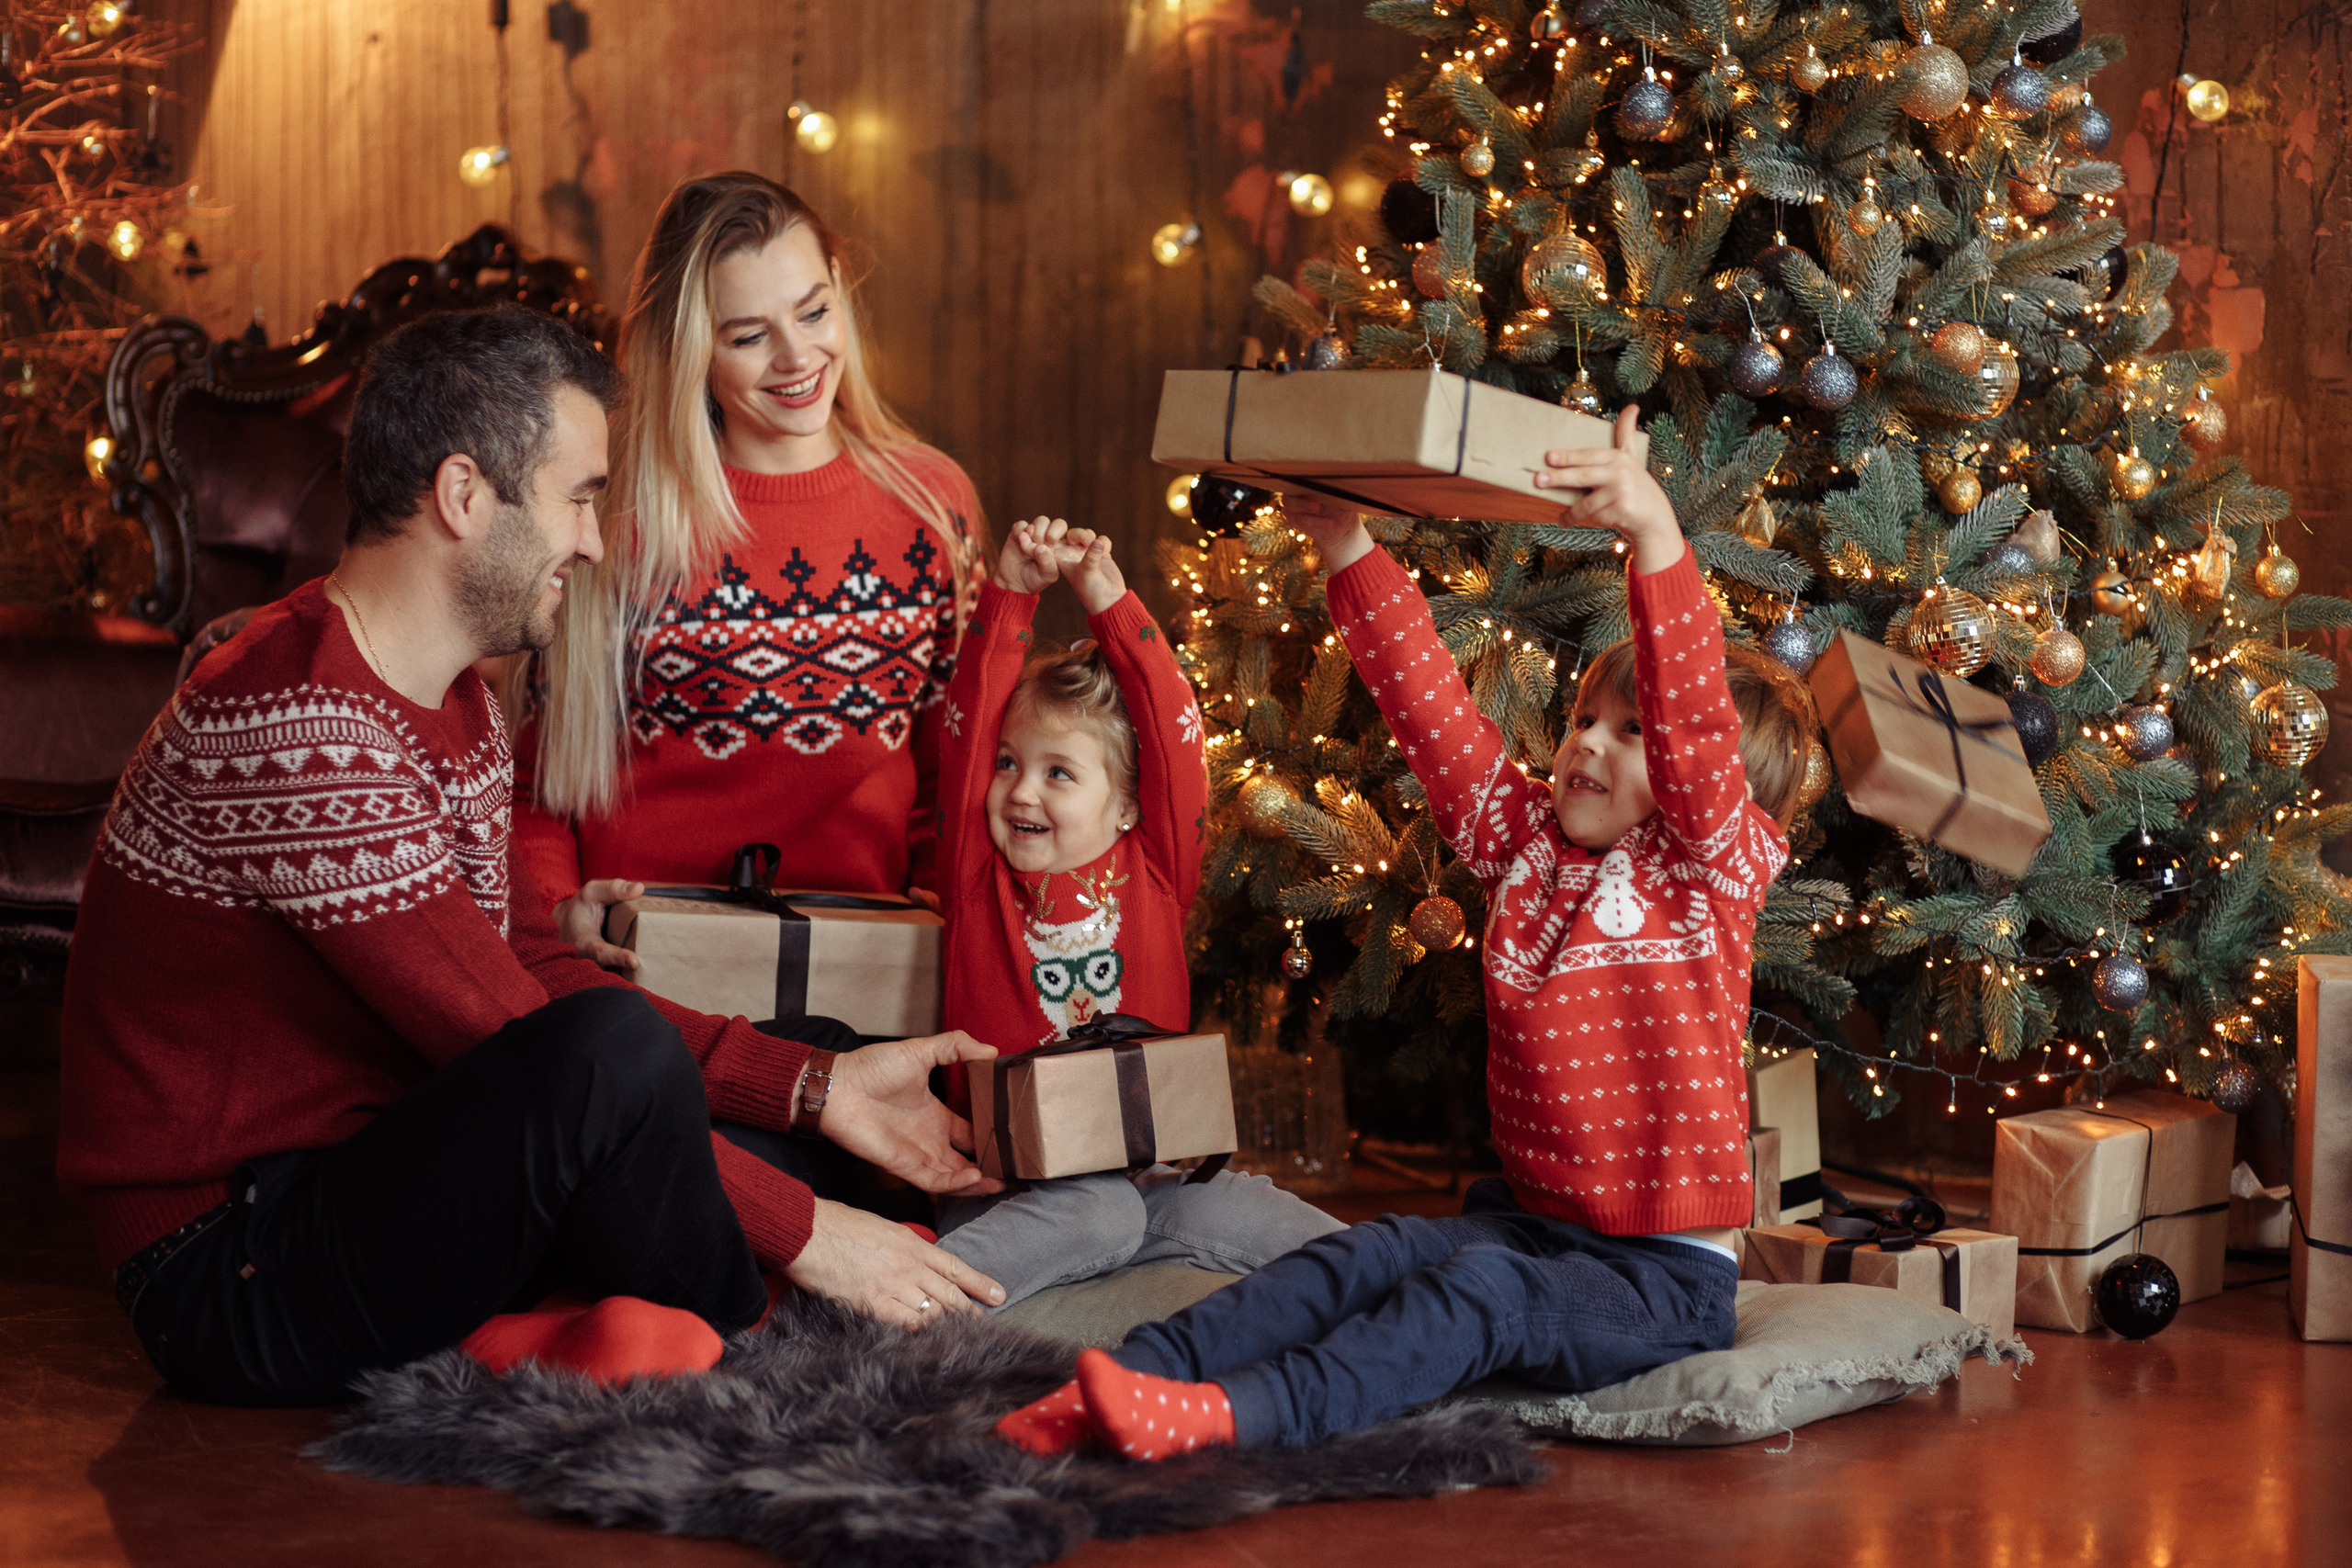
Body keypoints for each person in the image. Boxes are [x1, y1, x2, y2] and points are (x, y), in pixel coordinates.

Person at [58, 305, 1006, 1409]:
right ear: (465, 497)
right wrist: (810, 1236)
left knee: (802, 1084)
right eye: (580, 498)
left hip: (373, 1166)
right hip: (234, 1266)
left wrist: (810, 1085)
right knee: (629, 1071)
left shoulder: (450, 693)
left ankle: (618, 1320)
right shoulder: (301, 723)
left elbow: (523, 969)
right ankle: (775, 1359)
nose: (596, 542)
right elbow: (519, 1037)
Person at [995, 407, 1815, 1458]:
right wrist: (1347, 548)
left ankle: (1237, 1416)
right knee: (1367, 1255)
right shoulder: (1527, 846)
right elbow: (1435, 718)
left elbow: (1697, 726)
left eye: (1631, 733)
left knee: (1478, 1294)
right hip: (1532, 1223)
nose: (1588, 749)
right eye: (1583, 723)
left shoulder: (1711, 872)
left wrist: (1654, 537)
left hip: (1659, 1280)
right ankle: (1132, 1377)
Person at [517, 172, 981, 972]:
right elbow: (535, 781)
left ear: (841, 289)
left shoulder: (933, 504)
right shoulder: (616, 518)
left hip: (873, 970)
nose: (798, 358)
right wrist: (560, 915)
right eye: (747, 335)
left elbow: (958, 775)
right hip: (650, 978)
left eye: (813, 311)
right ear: (688, 350)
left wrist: (947, 923)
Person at [924, 516, 1341, 1309]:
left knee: (1304, 1233)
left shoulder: (1153, 869)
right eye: (1010, 764)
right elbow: (969, 723)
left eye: (1058, 773)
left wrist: (1109, 601)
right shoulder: (978, 880)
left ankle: (1430, 1304)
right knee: (1100, 1212)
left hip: (1144, 1180)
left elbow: (1171, 726)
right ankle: (904, 1299)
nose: (1020, 790)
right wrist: (1011, 594)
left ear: (1125, 807)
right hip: (1003, 1189)